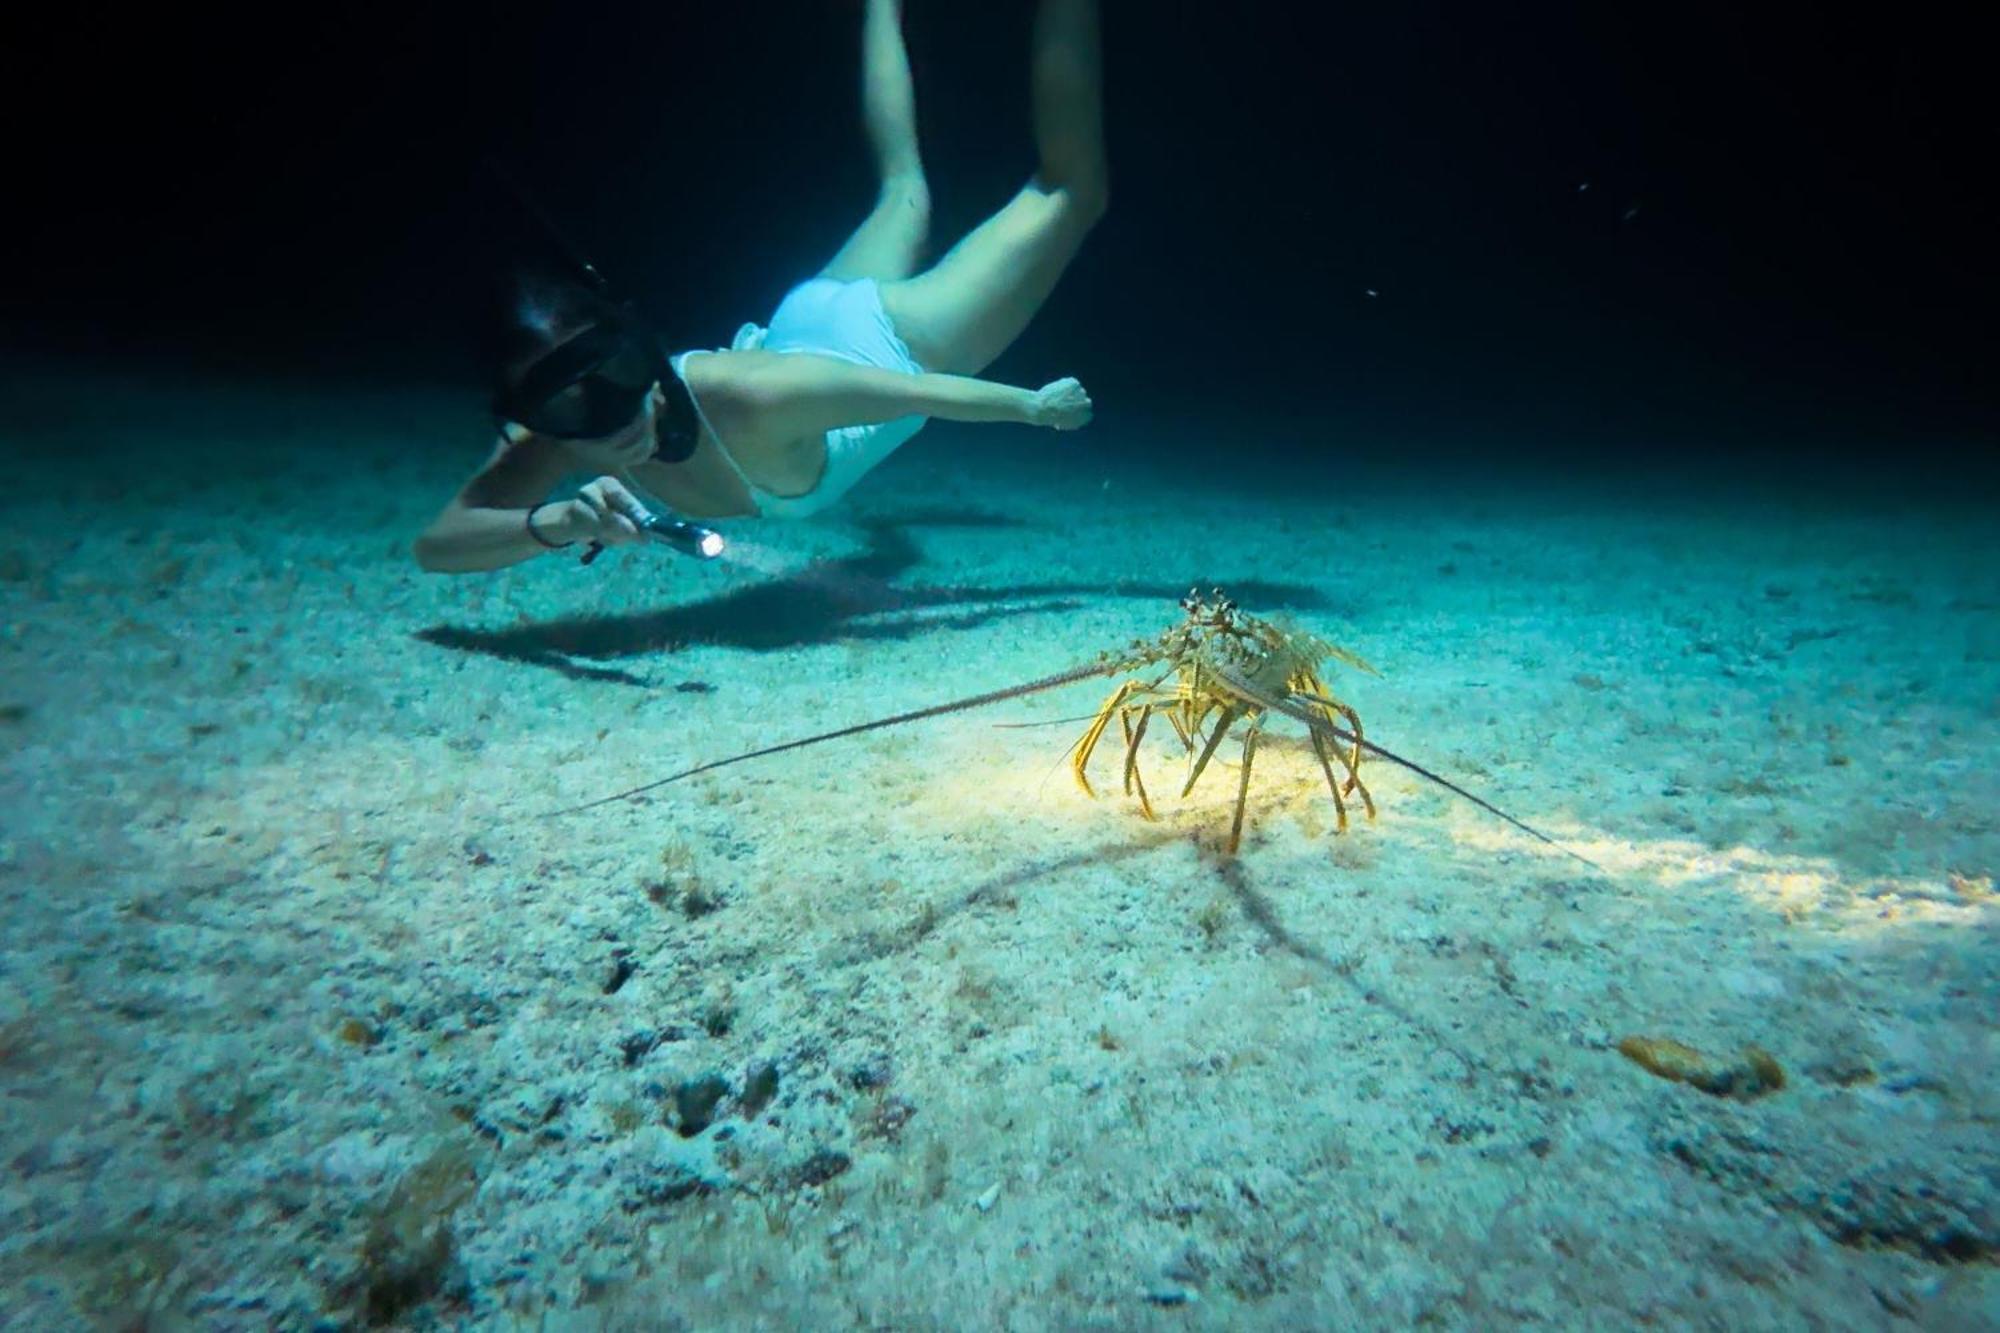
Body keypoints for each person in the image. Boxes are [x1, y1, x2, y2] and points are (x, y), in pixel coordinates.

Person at [414, 0, 1107, 574]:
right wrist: (556, 521)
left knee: (1070, 190)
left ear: (639, 345)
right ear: (535, 414)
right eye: (566, 406)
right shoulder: (557, 439)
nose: (613, 415)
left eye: (616, 372)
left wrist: (1034, 406)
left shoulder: (744, 395)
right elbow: (438, 545)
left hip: (893, 341)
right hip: (803, 321)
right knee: (903, 188)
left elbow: (917, 390)